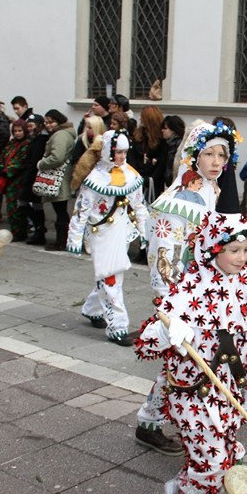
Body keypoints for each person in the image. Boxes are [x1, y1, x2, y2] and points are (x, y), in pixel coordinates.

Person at [134, 211, 247, 494]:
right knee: (209, 459)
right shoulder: (190, 289)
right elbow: (148, 339)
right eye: (234, 250)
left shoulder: (245, 289)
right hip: (192, 392)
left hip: (228, 391)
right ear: (212, 249)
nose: (242, 257)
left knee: (226, 454)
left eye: (246, 250)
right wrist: (169, 330)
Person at [137, 120, 241, 455]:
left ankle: (180, 422)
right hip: (184, 296)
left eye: (221, 155)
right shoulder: (181, 198)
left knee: (198, 361)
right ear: (194, 155)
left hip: (207, 292)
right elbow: (162, 254)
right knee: (182, 361)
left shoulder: (213, 190)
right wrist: (170, 305)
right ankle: (153, 423)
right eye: (208, 153)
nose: (215, 161)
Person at [68, 130, 148, 345]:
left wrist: (144, 231)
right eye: (117, 152)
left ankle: (93, 309)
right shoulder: (95, 178)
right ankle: (117, 326)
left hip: (121, 231)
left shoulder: (131, 175)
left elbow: (139, 205)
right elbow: (81, 210)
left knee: (111, 274)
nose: (122, 156)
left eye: (124, 152)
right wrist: (74, 239)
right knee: (111, 277)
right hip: (101, 234)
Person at [37, 109, 76, 251]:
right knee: (61, 210)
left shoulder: (60, 135)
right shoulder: (63, 133)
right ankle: (62, 240)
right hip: (61, 176)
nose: (48, 125)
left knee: (60, 210)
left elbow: (57, 157)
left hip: (58, 177)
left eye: (51, 122)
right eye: (46, 122)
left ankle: (61, 241)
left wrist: (42, 163)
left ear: (59, 121)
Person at [0, 119, 32, 240]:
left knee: (17, 208)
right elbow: (2, 157)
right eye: (15, 131)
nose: (17, 133)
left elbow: (21, 161)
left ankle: (20, 232)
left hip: (18, 180)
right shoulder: (11, 143)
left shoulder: (27, 144)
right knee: (10, 207)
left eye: (20, 130)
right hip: (8, 180)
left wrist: (9, 170)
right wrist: (2, 168)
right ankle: (15, 230)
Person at [21, 114, 50, 245]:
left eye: (31, 126)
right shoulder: (35, 138)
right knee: (27, 203)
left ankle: (39, 229)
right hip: (30, 175)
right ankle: (39, 229)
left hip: (33, 176)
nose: (29, 129)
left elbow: (34, 161)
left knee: (30, 203)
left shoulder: (41, 140)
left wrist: (27, 176)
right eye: (28, 126)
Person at [129, 105, 167, 200]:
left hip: (153, 182)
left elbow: (162, 162)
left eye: (142, 117)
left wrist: (151, 179)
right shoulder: (137, 137)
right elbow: (132, 157)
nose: (140, 119)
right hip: (137, 179)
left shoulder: (161, 141)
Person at [161, 114, 185, 187]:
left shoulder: (179, 146)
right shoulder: (167, 144)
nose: (162, 131)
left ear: (174, 130)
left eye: (165, 128)